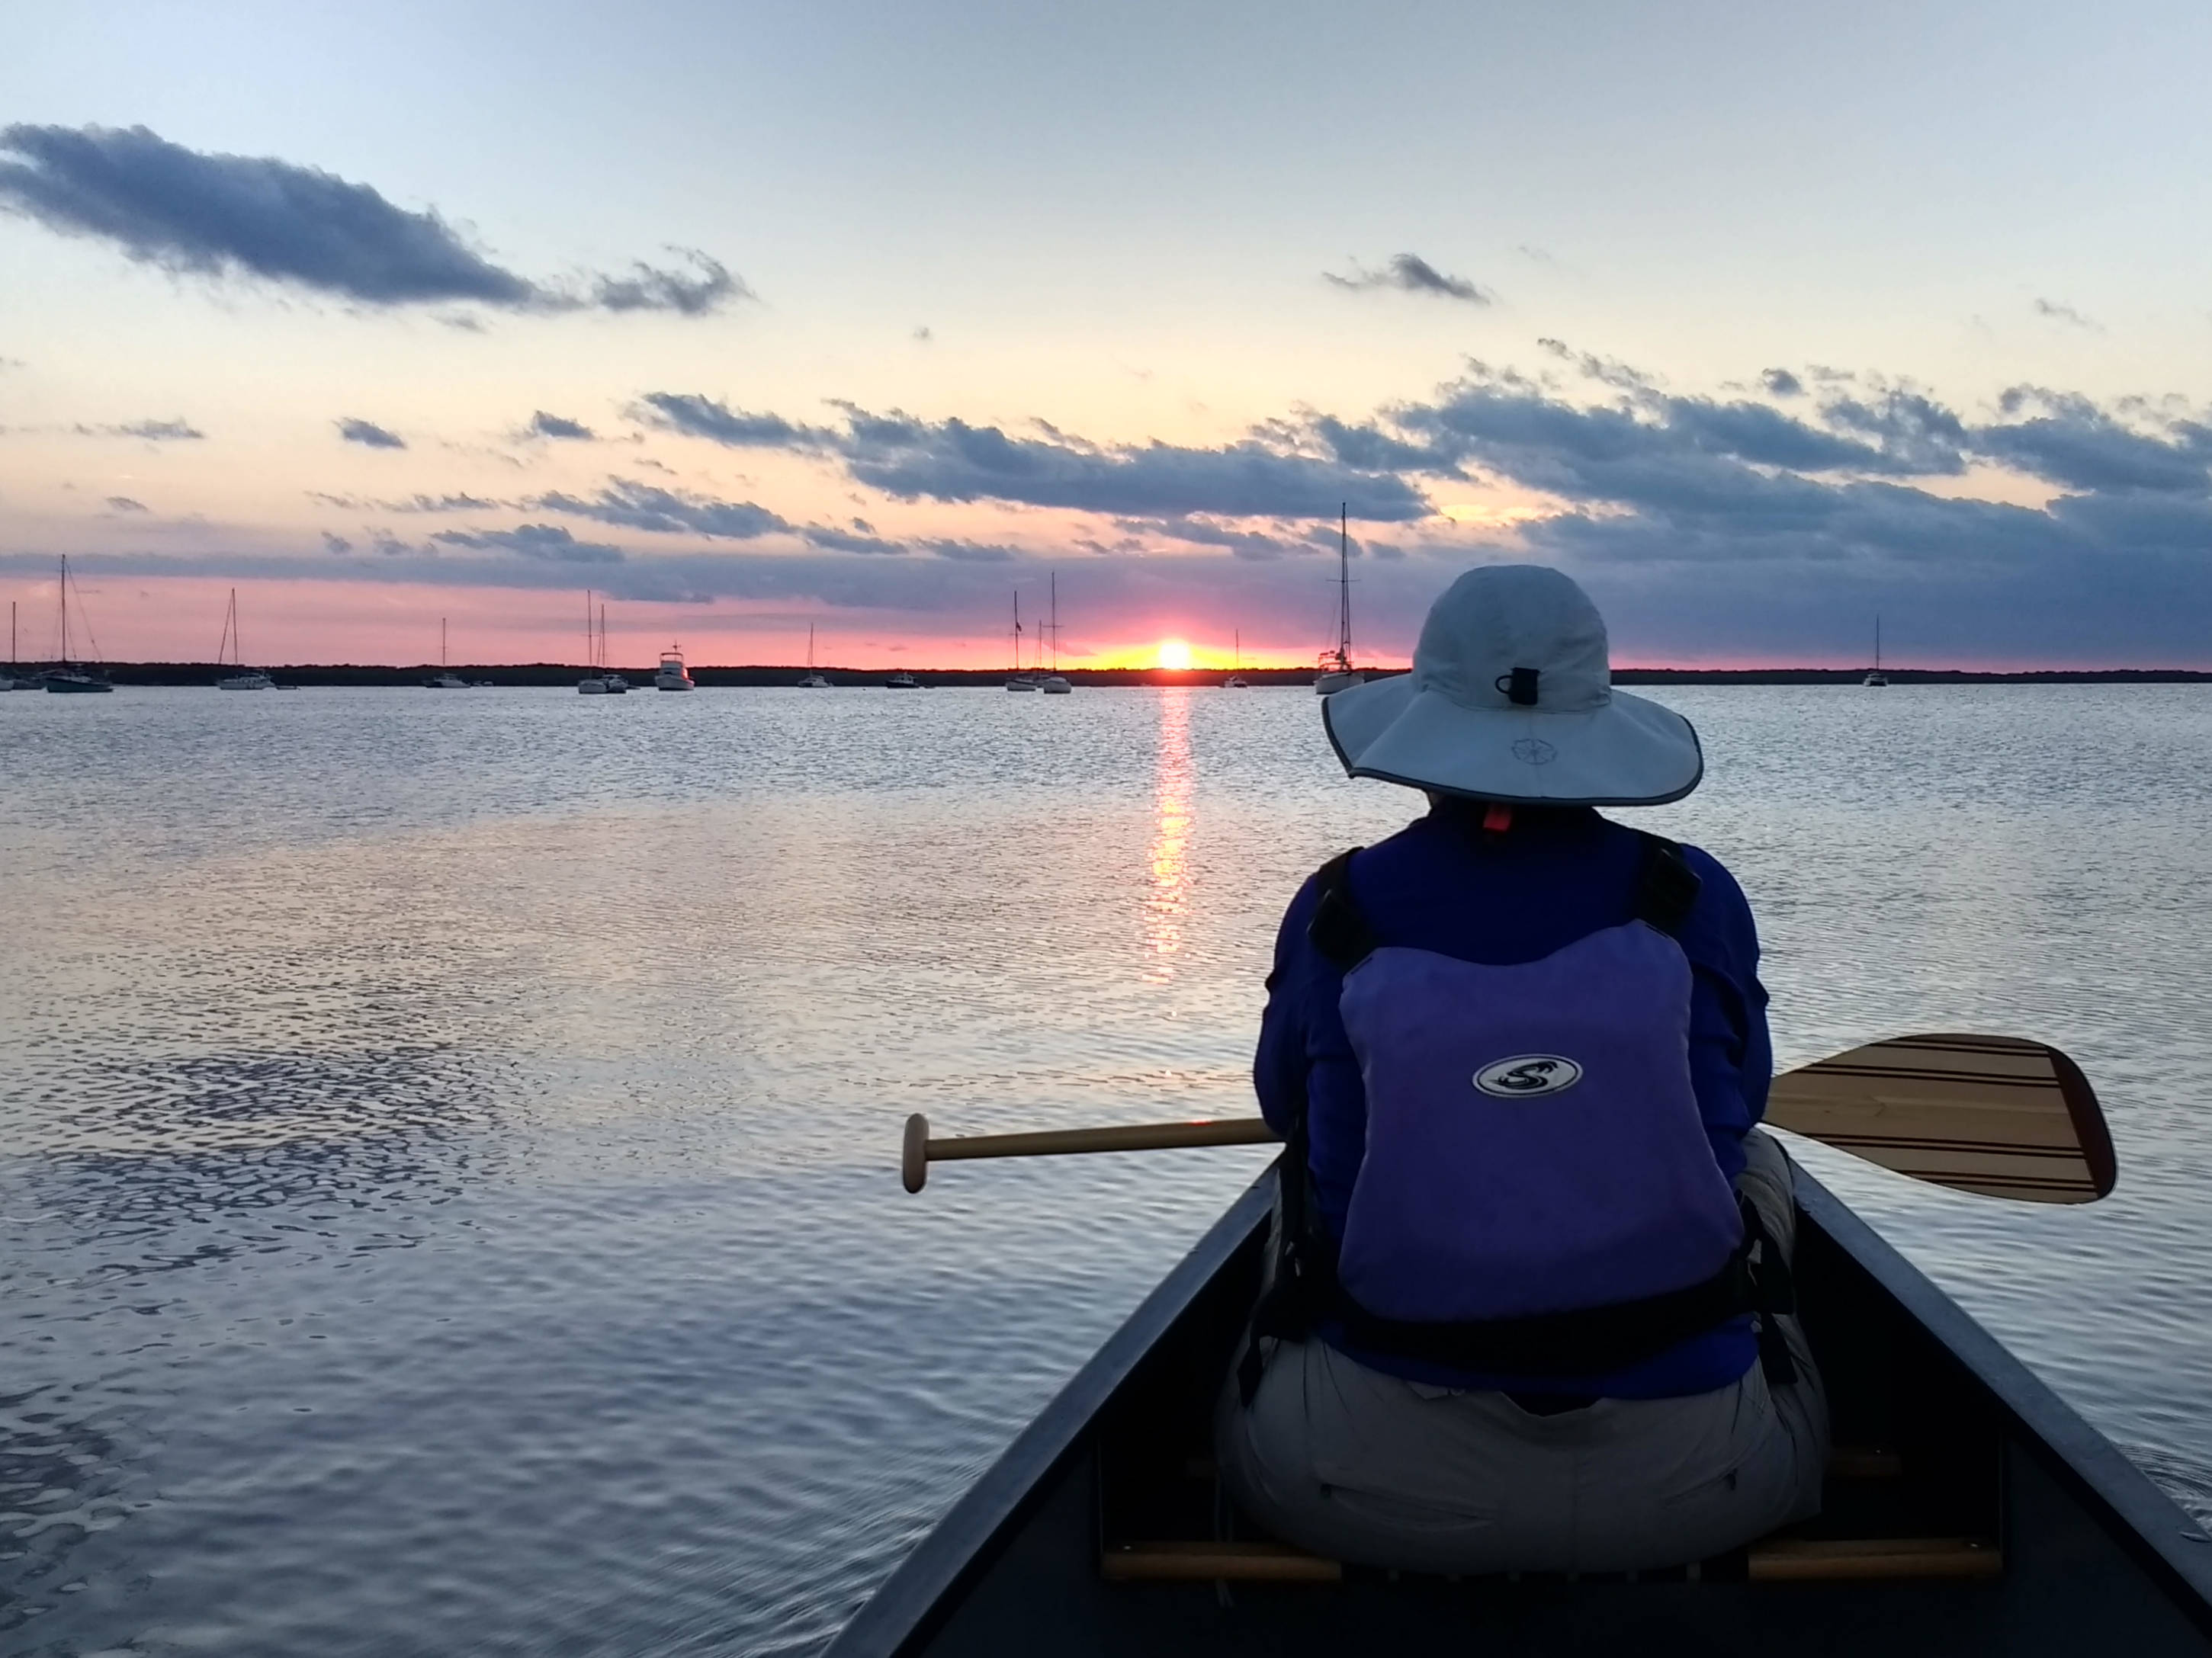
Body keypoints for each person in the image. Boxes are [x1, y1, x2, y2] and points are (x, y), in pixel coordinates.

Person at [1215, 564, 1828, 1576]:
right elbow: (1743, 1102)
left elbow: (1285, 1111)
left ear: (1423, 719)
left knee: (1297, 1185)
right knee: (1758, 1160)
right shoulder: (1693, 897)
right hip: (1694, 1489)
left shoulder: (1335, 911)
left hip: (1366, 1490)